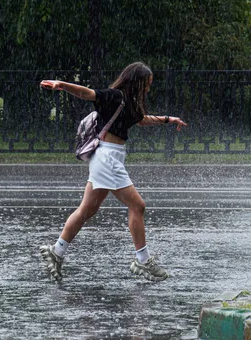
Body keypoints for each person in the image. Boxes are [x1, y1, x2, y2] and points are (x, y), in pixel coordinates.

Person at [39, 62, 187, 282]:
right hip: (107, 158)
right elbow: (86, 93)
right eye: (146, 84)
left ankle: (57, 251)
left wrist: (168, 119)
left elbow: (142, 119)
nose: (147, 89)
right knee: (137, 205)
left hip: (109, 157)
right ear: (136, 81)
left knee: (86, 211)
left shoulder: (130, 102)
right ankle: (143, 260)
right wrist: (62, 85)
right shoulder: (115, 97)